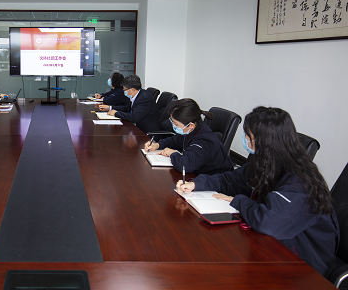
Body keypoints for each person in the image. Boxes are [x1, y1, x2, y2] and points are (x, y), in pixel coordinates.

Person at [176, 106, 341, 279]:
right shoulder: (268, 161)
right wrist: (196, 184)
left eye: (248, 136)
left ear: (264, 141)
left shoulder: (300, 182)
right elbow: (232, 179)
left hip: (304, 265)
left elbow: (267, 222)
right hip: (273, 245)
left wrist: (238, 200)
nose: (245, 139)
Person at [144, 98, 233, 175]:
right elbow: (175, 140)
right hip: (198, 173)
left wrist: (172, 153)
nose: (173, 126)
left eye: (176, 124)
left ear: (191, 125)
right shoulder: (192, 130)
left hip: (214, 181)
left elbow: (185, 165)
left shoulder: (204, 140)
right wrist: (157, 145)